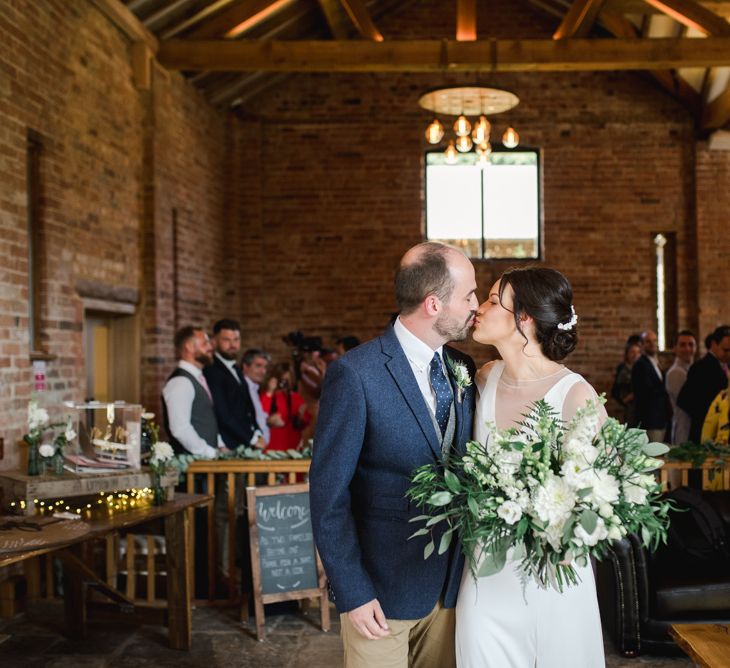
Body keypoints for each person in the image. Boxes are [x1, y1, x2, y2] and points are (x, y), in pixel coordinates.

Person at [310, 242, 478, 668]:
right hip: (380, 595)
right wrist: (352, 590)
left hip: (452, 590)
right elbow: (329, 494)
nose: (477, 306)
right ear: (434, 303)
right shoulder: (356, 374)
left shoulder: (464, 367)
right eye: (470, 295)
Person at [456, 267, 605, 668]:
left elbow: (606, 495)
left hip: (551, 574)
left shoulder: (575, 396)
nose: (479, 309)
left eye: (491, 301)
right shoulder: (484, 379)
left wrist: (570, 539)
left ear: (523, 318)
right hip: (485, 575)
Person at [161, 326, 228, 458]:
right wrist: (209, 453)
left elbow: (205, 418)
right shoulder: (181, 381)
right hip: (193, 466)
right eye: (205, 343)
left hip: (207, 464)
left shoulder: (198, 378)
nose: (210, 347)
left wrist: (220, 445)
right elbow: (180, 429)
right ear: (189, 347)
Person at [204, 319, 265, 450]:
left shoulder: (236, 368)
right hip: (228, 446)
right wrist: (252, 439)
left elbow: (247, 406)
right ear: (214, 341)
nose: (233, 345)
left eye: (236, 340)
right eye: (226, 340)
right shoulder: (211, 370)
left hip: (246, 442)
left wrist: (257, 431)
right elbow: (222, 413)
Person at [677, 325, 730, 443]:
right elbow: (684, 400)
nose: (729, 354)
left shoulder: (726, 365)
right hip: (705, 433)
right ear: (714, 344)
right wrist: (712, 416)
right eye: (726, 350)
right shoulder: (700, 368)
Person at [260, 361, 310, 451]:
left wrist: (300, 417)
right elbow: (260, 415)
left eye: (287, 381)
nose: (284, 384)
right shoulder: (268, 395)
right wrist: (270, 391)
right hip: (270, 449)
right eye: (282, 380)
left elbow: (304, 423)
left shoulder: (296, 398)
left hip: (292, 448)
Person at [631, 330, 670, 443]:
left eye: (654, 340)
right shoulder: (640, 364)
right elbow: (645, 392)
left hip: (660, 418)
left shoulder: (654, 362)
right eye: (648, 341)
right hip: (650, 420)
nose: (653, 344)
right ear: (642, 345)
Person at [665, 330, 697, 444]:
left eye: (691, 344)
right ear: (675, 348)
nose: (687, 349)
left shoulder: (691, 369)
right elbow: (686, 403)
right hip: (683, 428)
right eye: (682, 345)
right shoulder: (675, 372)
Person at [241, 349, 272, 447]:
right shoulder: (240, 388)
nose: (263, 371)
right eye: (258, 366)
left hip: (259, 447)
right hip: (248, 446)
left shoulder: (254, 389)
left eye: (265, 367)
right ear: (245, 366)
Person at [611, 336, 642, 426]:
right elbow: (617, 390)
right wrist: (626, 398)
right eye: (632, 352)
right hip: (630, 408)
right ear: (627, 354)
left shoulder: (642, 368)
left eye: (638, 352)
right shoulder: (623, 369)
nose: (635, 355)